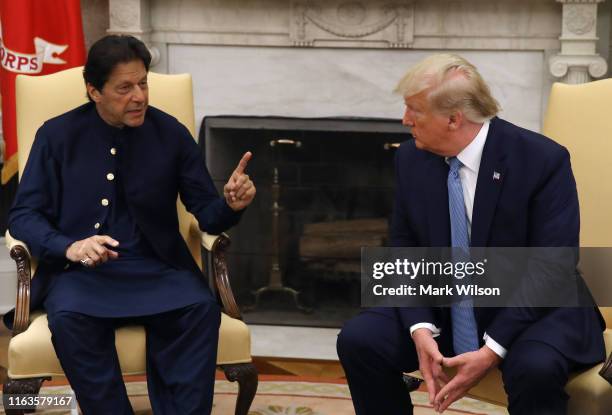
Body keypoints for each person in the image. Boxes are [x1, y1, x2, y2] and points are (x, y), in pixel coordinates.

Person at [337, 54, 606, 414]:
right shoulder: (410, 159)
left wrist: (491, 349)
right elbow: (403, 248)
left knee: (535, 369)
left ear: (453, 118)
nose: (404, 120)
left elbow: (551, 265)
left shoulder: (541, 159)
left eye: (414, 110)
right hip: (447, 302)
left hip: (534, 307)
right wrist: (419, 328)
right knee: (359, 340)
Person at [5, 35, 255, 414]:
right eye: (124, 88)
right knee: (70, 317)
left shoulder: (170, 132)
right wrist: (69, 246)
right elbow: (23, 215)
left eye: (143, 84)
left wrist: (231, 205)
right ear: (94, 91)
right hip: (82, 273)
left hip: (158, 268)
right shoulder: (56, 136)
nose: (138, 96)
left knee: (199, 309)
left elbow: (206, 212)